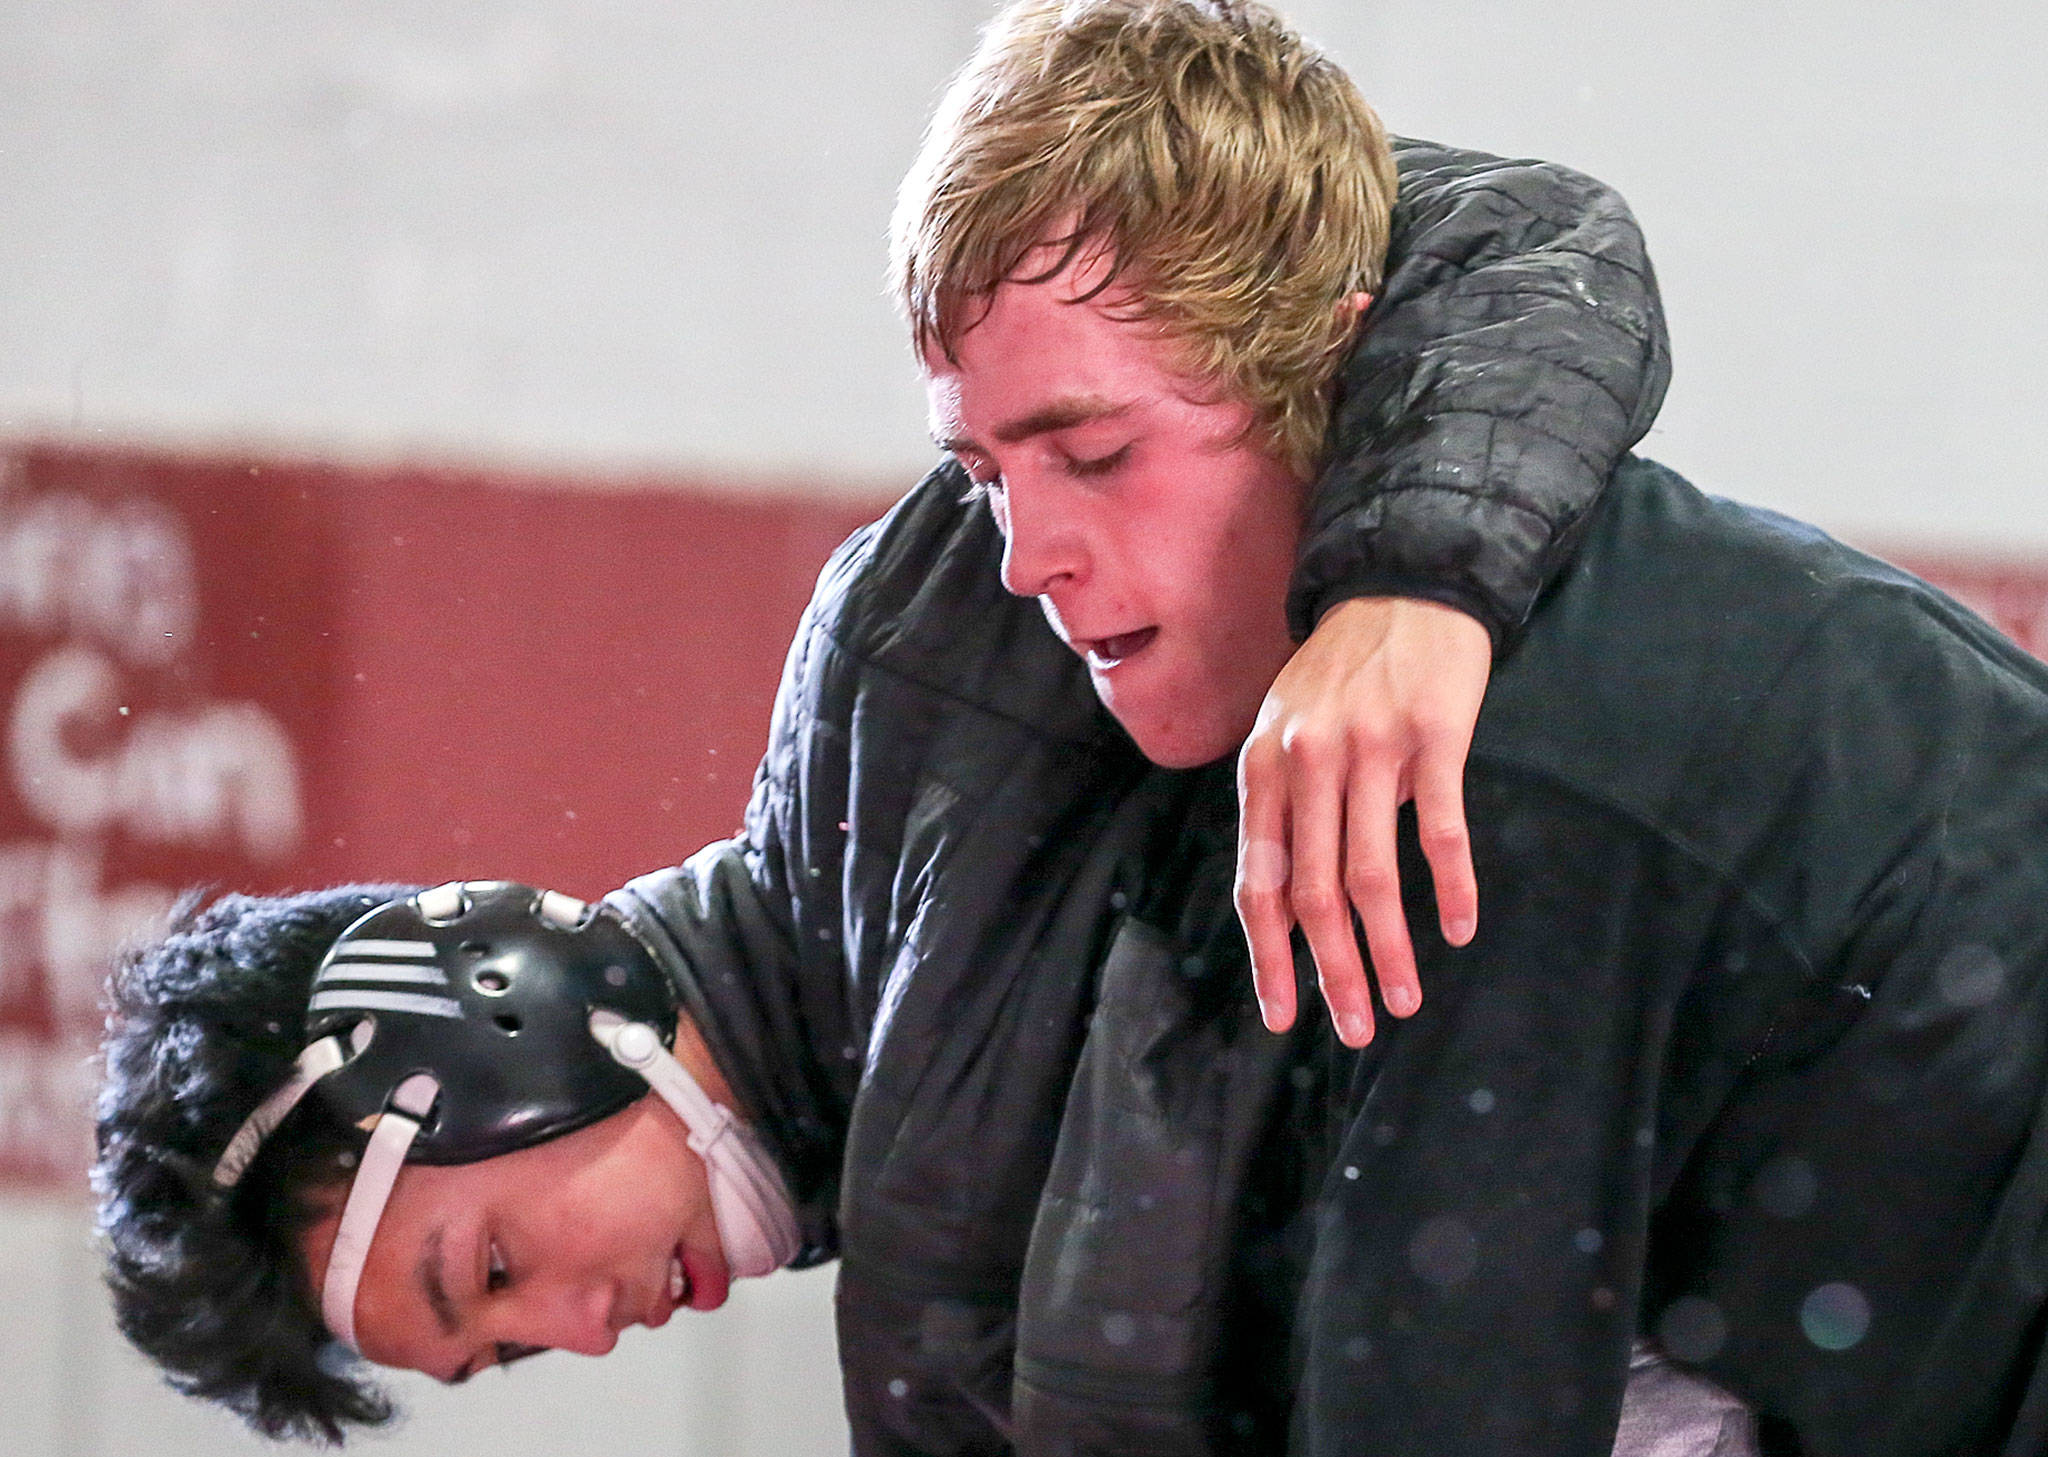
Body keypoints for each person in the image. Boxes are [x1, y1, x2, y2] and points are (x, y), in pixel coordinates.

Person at [93, 0, 1684, 1447]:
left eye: (492, 1263)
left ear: (491, 1010)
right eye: (509, 1351)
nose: (581, 1327)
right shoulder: (924, 1260)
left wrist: (1411, 589)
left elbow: (1516, 244)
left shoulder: (904, 663)